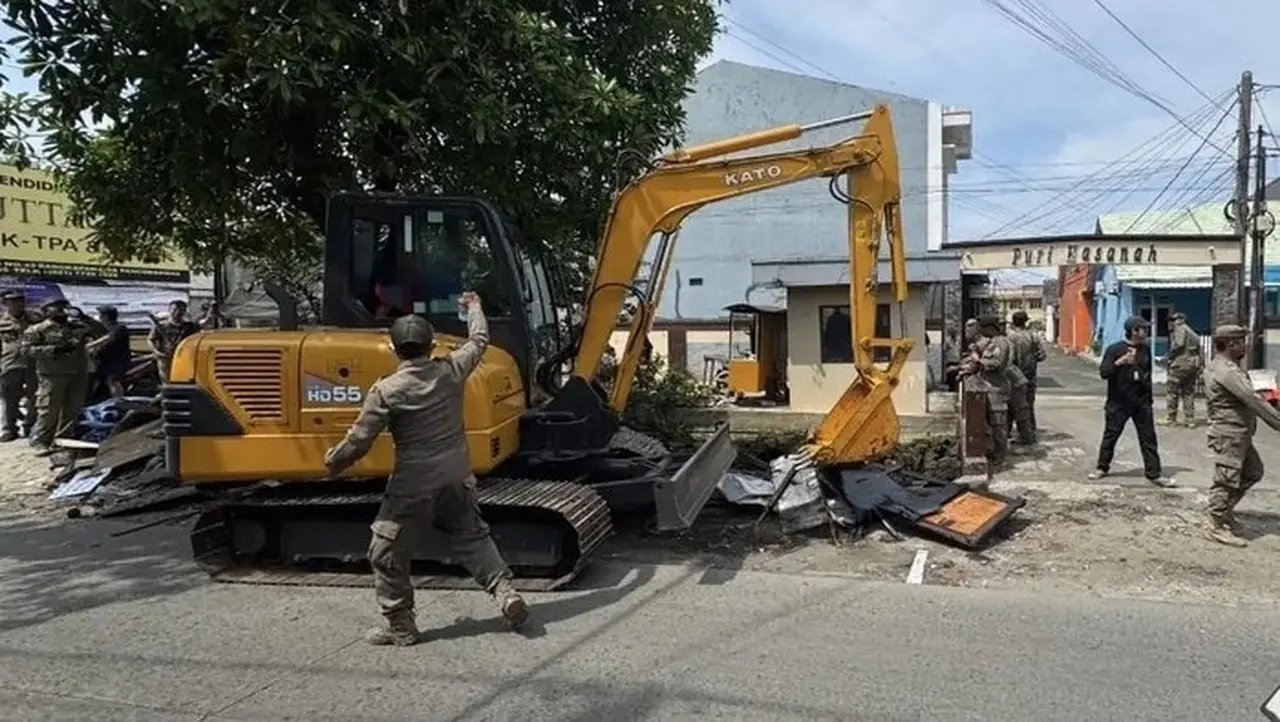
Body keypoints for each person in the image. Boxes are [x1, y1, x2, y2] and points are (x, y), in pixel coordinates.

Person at [323, 291, 528, 646]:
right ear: (432, 345)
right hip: (456, 474)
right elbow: (479, 339)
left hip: (412, 484)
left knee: (384, 553)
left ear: (394, 349)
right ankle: (505, 593)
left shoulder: (387, 390)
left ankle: (400, 626)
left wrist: (334, 463)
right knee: (472, 536)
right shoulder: (451, 370)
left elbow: (360, 440)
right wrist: (475, 306)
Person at [1201, 324, 1280, 547]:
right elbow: (1251, 399)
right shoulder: (1226, 371)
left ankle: (1223, 512)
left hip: (1238, 433)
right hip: (1229, 434)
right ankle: (1214, 523)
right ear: (1232, 344)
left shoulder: (1223, 366)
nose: (1245, 345)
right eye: (1241, 341)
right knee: (1226, 480)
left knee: (1253, 471)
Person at [1088, 316, 1172, 487]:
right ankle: (1102, 467)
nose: (1146, 332)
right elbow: (1104, 373)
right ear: (1134, 331)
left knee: (1148, 438)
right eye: (1143, 329)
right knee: (1111, 436)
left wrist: (1148, 399)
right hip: (1118, 402)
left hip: (1141, 402)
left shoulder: (1145, 350)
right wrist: (1120, 362)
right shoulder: (1114, 349)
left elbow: (1148, 375)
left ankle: (1154, 473)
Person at [23, 298, 94, 456]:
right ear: (47, 311)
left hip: (77, 374)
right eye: (57, 307)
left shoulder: (78, 326)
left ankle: (63, 441)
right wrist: (55, 350)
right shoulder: (37, 329)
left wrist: (85, 318)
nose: (62, 310)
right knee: (49, 411)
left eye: (64, 306)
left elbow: (100, 332)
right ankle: (40, 441)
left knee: (72, 409)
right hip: (52, 375)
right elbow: (26, 350)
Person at [0, 289, 42, 441]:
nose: (18, 304)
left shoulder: (36, 319)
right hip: (10, 364)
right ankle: (9, 429)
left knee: (35, 397)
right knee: (9, 399)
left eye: (20, 300)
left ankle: (31, 426)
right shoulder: (2, 321)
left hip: (34, 363)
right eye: (13, 301)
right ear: (5, 303)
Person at [1006, 310, 1046, 435]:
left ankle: (1007, 432)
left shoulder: (1008, 337)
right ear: (1026, 322)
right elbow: (1042, 355)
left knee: (1010, 405)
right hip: (1030, 375)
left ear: (1013, 322)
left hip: (1012, 376)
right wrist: (1032, 360)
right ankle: (1029, 432)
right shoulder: (1033, 336)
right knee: (1028, 405)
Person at [1161, 312, 1202, 428]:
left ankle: (1171, 418)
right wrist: (1200, 366)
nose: (1171, 322)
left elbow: (1178, 344)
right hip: (1192, 365)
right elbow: (1200, 350)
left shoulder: (1180, 329)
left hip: (1179, 364)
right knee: (1188, 392)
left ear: (1180, 320)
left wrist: (1168, 356)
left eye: (1173, 320)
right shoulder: (1193, 333)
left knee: (1172, 392)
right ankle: (1190, 419)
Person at [148, 300, 200, 383]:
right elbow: (151, 340)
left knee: (183, 381)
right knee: (166, 381)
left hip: (184, 358)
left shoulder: (190, 326)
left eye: (181, 310)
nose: (177, 312)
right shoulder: (162, 326)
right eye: (174, 310)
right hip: (165, 358)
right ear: (169, 310)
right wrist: (157, 352)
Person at [86, 306, 132, 398]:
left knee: (112, 381)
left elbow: (107, 339)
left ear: (106, 316)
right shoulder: (103, 329)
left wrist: (89, 346)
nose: (98, 317)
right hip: (103, 361)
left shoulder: (119, 328)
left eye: (100, 315)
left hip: (116, 361)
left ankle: (119, 401)